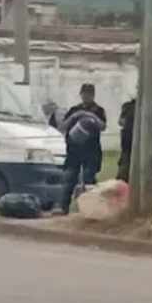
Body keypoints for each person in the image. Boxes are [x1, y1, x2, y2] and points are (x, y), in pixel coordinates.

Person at [56, 83, 106, 214]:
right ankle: (63, 207)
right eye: (84, 93)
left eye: (89, 94)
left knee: (89, 180)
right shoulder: (74, 110)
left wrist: (90, 116)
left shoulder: (98, 110)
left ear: (93, 95)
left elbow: (103, 126)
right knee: (69, 179)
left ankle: (89, 209)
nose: (86, 96)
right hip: (74, 150)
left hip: (91, 150)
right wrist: (76, 116)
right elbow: (62, 126)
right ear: (81, 94)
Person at [116, 93, 152, 182]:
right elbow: (121, 121)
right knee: (124, 174)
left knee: (149, 176)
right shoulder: (129, 107)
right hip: (129, 145)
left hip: (149, 148)